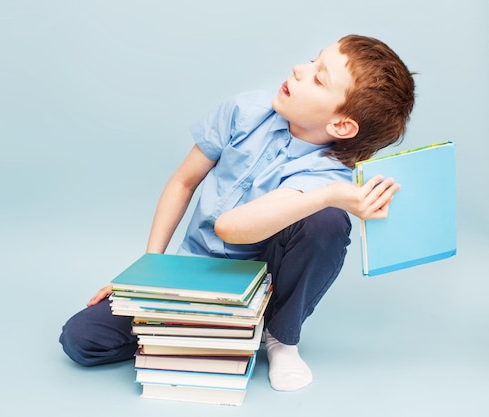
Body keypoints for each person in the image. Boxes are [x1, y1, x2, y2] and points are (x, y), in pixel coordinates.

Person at [59, 34, 415, 392]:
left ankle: (280, 337)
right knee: (81, 339)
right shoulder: (244, 112)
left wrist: (330, 196)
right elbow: (182, 182)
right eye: (312, 60)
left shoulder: (327, 175)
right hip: (194, 268)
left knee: (328, 220)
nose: (298, 69)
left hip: (258, 283)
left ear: (340, 125)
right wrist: (149, 273)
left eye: (318, 78)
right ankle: (206, 333)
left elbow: (230, 228)